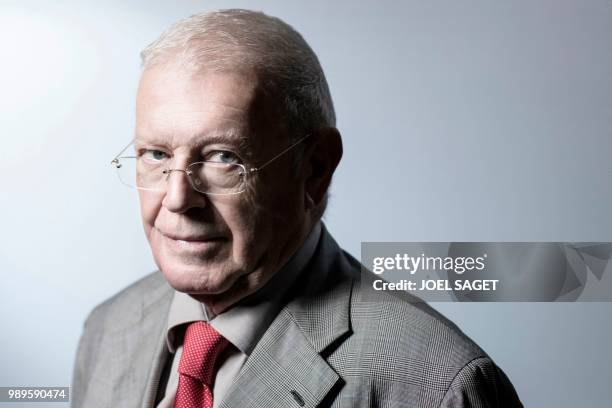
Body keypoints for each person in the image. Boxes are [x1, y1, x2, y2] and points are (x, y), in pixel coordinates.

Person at [72, 9, 522, 408]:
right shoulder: (107, 329)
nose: (177, 199)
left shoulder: (438, 386)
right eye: (156, 155)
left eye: (224, 158)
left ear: (315, 168)